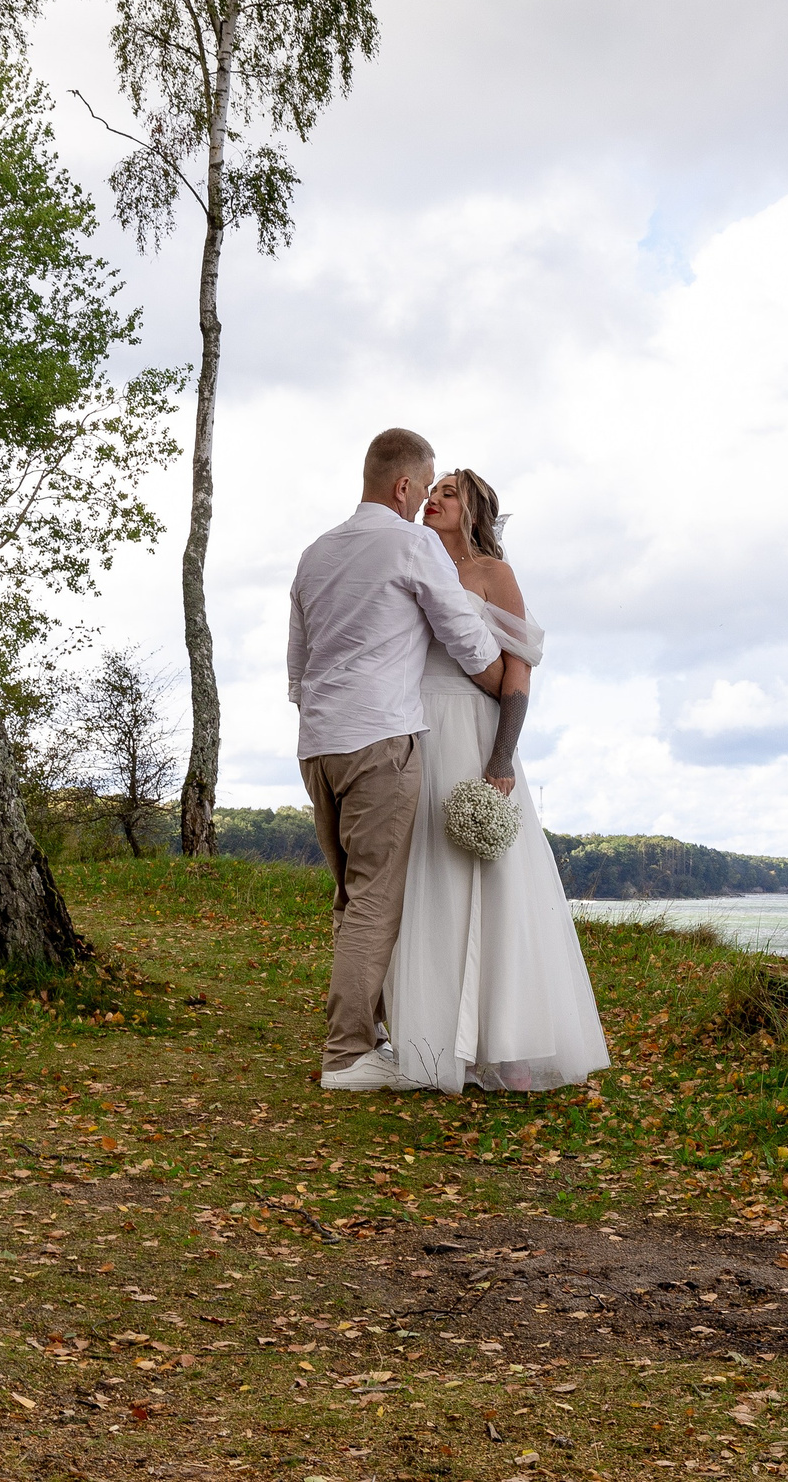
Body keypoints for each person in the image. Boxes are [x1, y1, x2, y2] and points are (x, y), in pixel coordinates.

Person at [287, 429, 505, 1091]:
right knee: (377, 899)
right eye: (425, 486)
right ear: (404, 486)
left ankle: (371, 1035)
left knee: (352, 897)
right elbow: (464, 635)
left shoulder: (315, 553)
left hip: (318, 745)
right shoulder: (409, 543)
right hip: (381, 737)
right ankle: (348, 1055)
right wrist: (506, 684)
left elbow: (297, 672)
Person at [381, 468, 610, 1093]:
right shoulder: (412, 561)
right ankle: (430, 1044)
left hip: (475, 729)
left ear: (475, 511)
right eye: (432, 491)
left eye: (448, 493)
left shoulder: (492, 575)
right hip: (415, 726)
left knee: (494, 877)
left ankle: (506, 1042)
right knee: (427, 877)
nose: (434, 499)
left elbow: (519, 668)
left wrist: (502, 757)